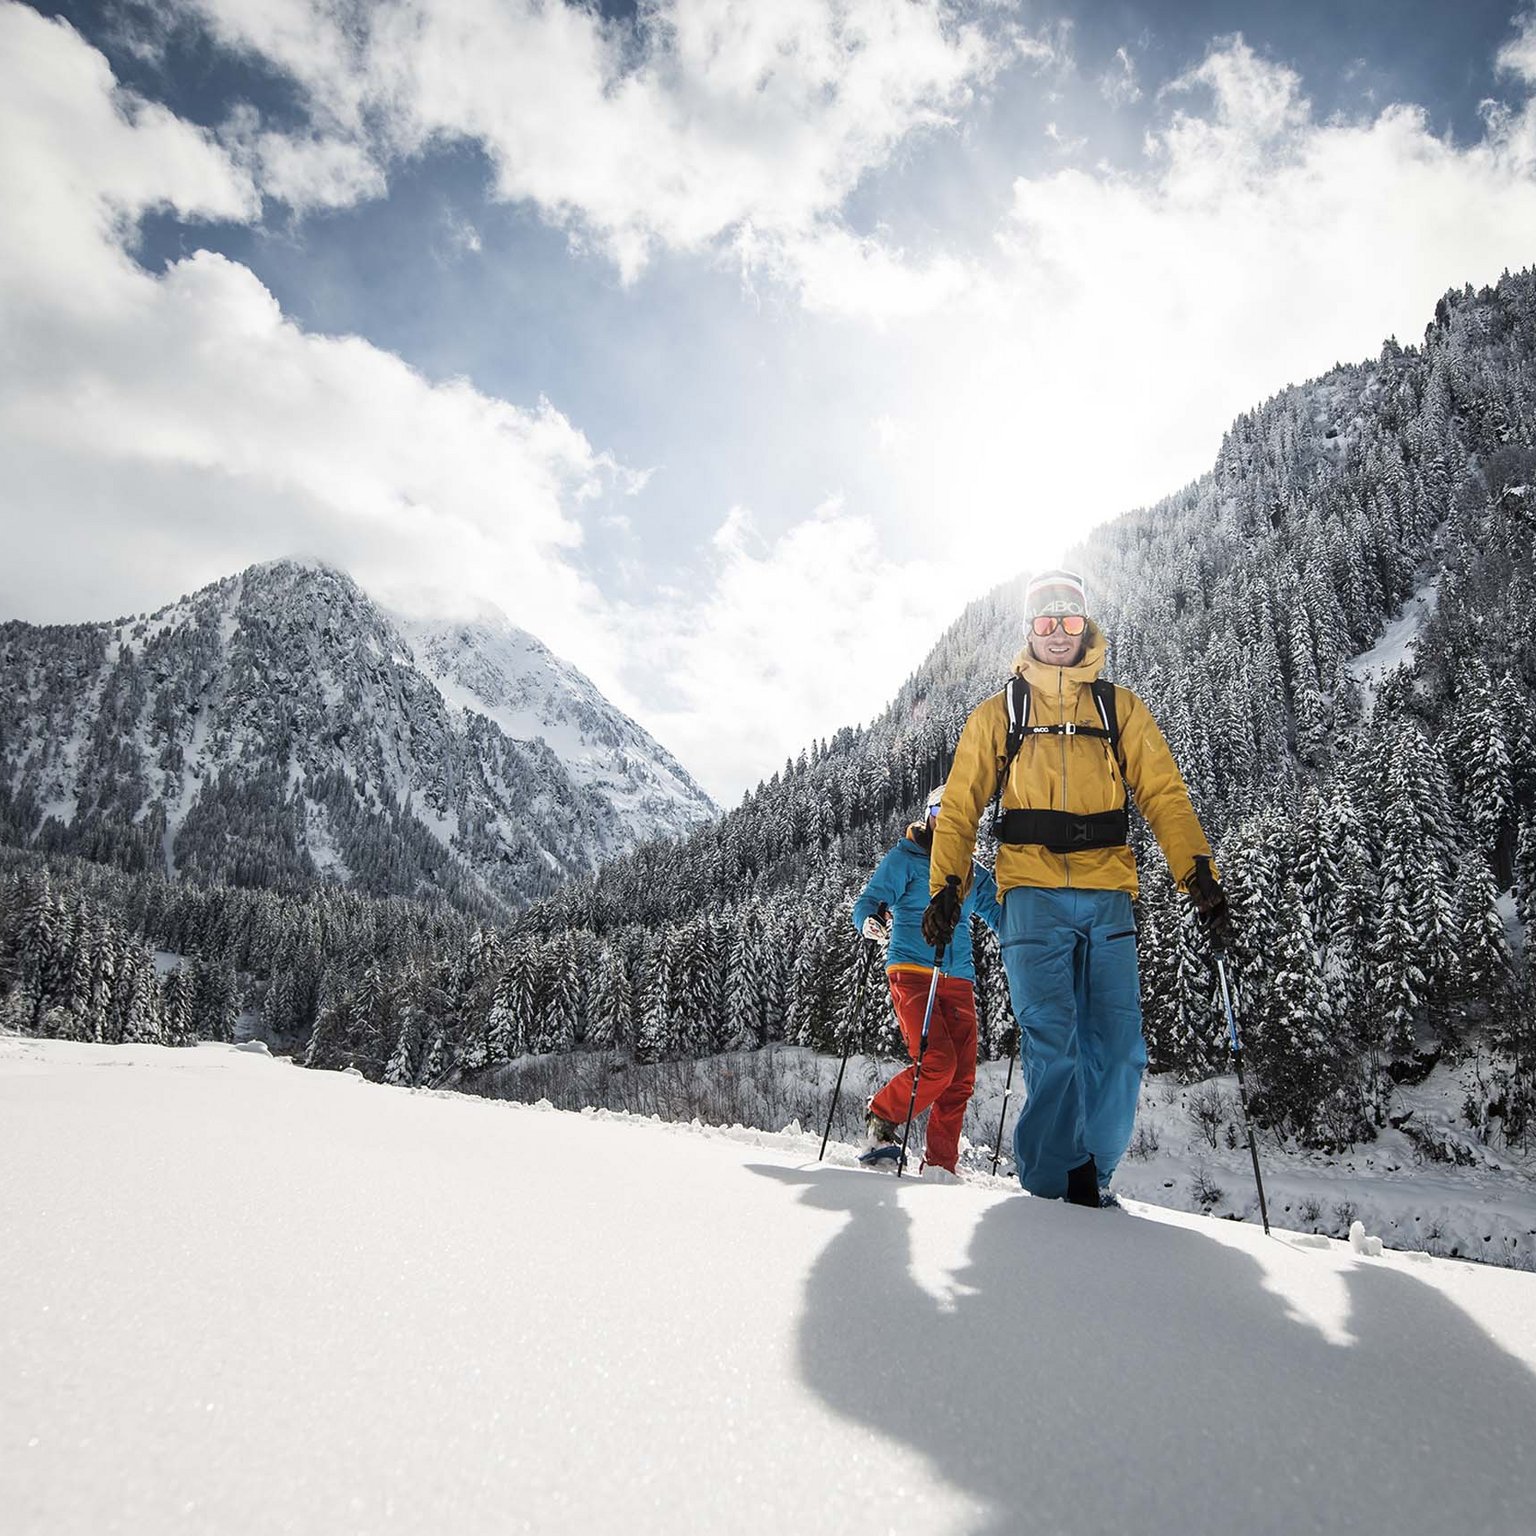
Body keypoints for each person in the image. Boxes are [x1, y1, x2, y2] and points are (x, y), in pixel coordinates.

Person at [921, 569, 1229, 1206]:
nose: (1057, 632)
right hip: (1030, 895)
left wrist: (1197, 872)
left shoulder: (1120, 709)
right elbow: (959, 808)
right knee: (1053, 1047)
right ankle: (1048, 1196)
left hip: (1109, 893)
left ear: (1084, 624)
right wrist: (946, 886)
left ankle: (1097, 1175)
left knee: (1119, 1053)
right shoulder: (1000, 712)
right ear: (1027, 628)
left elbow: (1164, 796)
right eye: (1043, 618)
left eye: (1068, 618)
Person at [851, 782, 1001, 1177]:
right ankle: (881, 1116)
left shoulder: (972, 871)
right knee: (937, 1062)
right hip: (913, 971)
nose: (948, 821)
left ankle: (940, 1165)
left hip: (960, 978)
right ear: (929, 815)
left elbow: (1000, 914)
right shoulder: (906, 859)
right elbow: (870, 900)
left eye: (957, 815)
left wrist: (1031, 938)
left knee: (961, 1078)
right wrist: (868, 921)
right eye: (940, 812)